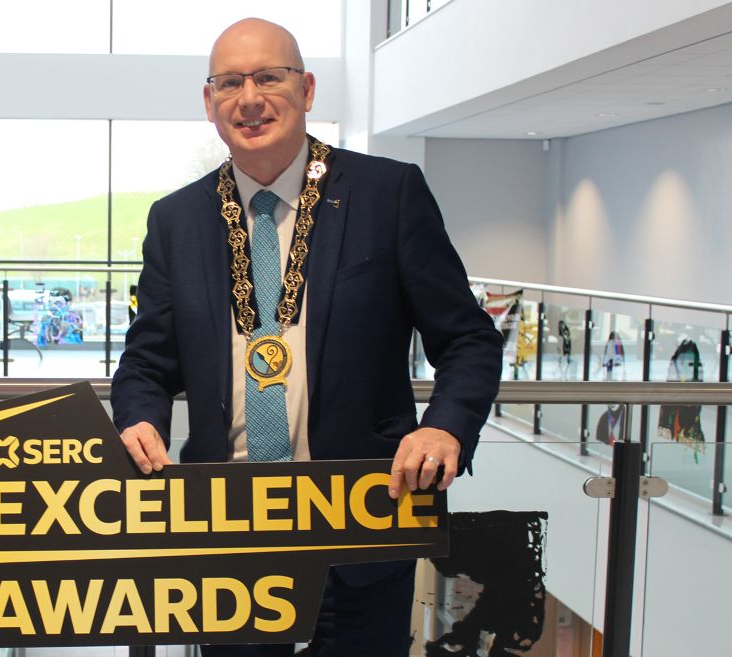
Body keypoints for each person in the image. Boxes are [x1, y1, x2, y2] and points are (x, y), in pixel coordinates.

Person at [110, 18, 503, 657]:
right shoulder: (176, 220)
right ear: (209, 103)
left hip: (361, 520)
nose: (250, 98)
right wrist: (138, 417)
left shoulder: (386, 193)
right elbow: (148, 360)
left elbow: (468, 340)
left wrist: (446, 426)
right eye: (230, 82)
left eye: (270, 77)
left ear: (308, 89)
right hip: (229, 527)